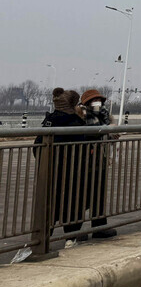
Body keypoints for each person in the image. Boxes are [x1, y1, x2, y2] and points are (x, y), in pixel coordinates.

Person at [33, 88, 88, 243]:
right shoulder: (76, 123)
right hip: (72, 173)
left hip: (49, 170)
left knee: (48, 205)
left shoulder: (49, 120)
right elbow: (82, 148)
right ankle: (71, 239)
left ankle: (41, 240)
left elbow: (37, 145)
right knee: (72, 205)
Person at [80, 89, 118, 237]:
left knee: (99, 193)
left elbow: (106, 131)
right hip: (84, 160)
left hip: (99, 159)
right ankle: (75, 229)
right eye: (94, 101)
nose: (98, 104)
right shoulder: (81, 115)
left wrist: (112, 132)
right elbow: (90, 132)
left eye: (99, 101)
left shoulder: (105, 115)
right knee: (81, 195)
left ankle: (99, 226)